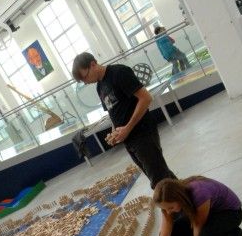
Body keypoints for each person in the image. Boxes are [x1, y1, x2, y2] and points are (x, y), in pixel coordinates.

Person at [72, 52, 176, 189]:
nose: (86, 82)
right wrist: (115, 132)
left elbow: (146, 98)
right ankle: (189, 198)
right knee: (159, 175)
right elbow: (113, 112)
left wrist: (127, 128)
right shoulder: (100, 86)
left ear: (93, 64)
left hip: (142, 132)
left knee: (159, 181)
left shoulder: (119, 73)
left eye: (85, 77)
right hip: (129, 139)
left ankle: (182, 205)